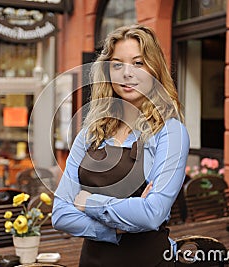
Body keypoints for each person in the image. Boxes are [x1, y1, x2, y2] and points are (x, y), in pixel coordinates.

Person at [52, 24, 190, 266]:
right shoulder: (90, 133)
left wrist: (88, 202)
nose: (128, 73)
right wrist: (113, 230)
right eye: (117, 64)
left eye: (138, 63)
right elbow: (60, 214)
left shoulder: (169, 131)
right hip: (92, 261)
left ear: (155, 70)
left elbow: (152, 214)